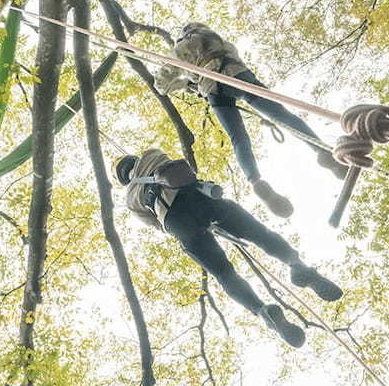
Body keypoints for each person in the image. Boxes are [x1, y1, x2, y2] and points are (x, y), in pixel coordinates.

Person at [116, 149, 344, 347]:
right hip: (200, 196)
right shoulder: (151, 154)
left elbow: (156, 224)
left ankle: (262, 310)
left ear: (125, 180)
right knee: (259, 234)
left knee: (223, 273)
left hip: (176, 221)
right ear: (134, 159)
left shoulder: (130, 200)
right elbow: (181, 167)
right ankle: (297, 265)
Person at [154, 22, 348, 218]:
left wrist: (184, 83)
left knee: (238, 138)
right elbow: (228, 56)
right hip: (236, 75)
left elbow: (163, 80)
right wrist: (191, 82)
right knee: (283, 117)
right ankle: (321, 150)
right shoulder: (218, 40)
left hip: (212, 88)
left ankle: (255, 180)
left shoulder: (181, 49)